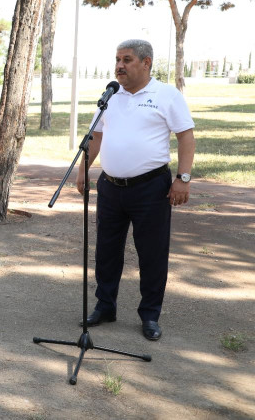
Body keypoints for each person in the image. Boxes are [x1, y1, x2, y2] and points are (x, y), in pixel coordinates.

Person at [76, 39, 195, 341]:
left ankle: (150, 315)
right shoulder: (111, 96)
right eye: (117, 59)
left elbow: (186, 136)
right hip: (110, 187)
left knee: (152, 254)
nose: (119, 66)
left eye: (127, 60)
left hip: (151, 189)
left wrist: (183, 178)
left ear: (146, 63)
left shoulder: (166, 95)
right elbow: (95, 136)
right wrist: (83, 170)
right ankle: (105, 306)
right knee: (106, 251)